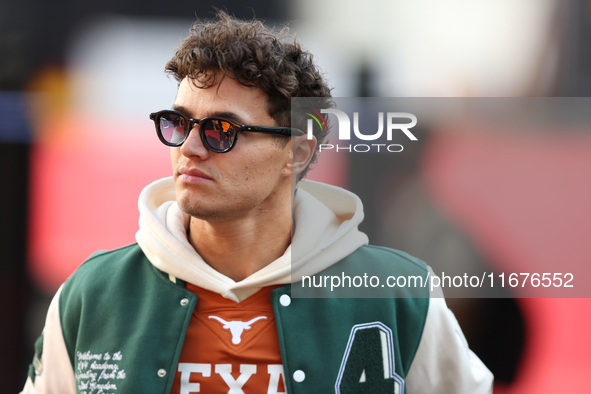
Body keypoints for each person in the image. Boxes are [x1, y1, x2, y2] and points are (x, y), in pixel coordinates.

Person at [22, 11, 493, 394]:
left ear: (299, 150)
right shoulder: (93, 293)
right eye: (178, 122)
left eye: (222, 130)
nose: (189, 147)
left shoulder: (399, 294)